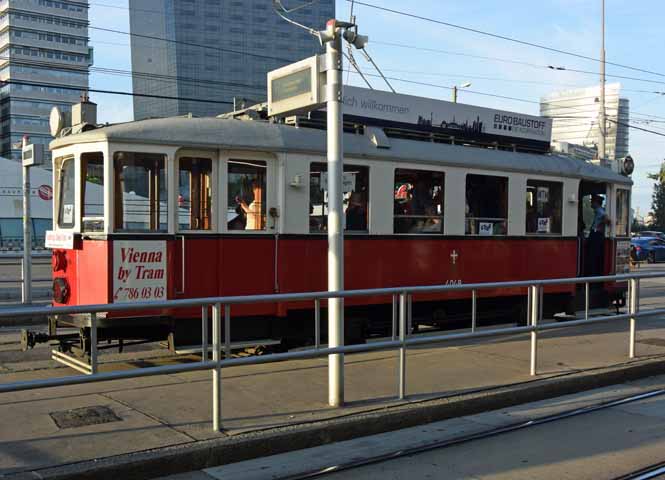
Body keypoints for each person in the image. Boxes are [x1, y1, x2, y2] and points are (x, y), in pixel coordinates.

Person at [586, 194, 610, 276]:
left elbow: (607, 219)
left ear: (596, 202)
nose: (591, 203)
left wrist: (600, 226)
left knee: (593, 256)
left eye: (592, 201)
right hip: (595, 233)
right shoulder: (597, 211)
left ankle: (593, 276)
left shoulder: (599, 210)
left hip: (596, 234)